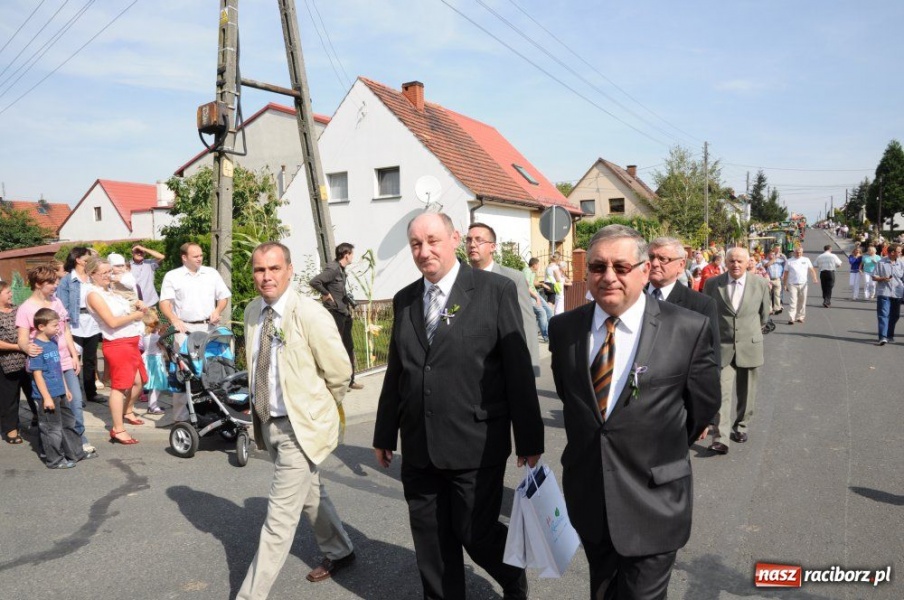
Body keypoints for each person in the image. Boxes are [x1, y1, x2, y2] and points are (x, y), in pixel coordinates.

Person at [373, 212, 543, 600]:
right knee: (431, 541)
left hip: (476, 441)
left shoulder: (494, 290)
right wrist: (385, 431)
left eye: (433, 240)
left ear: (454, 239)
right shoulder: (405, 300)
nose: (424, 251)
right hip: (419, 445)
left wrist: (529, 438)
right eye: (416, 244)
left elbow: (517, 370)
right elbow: (397, 372)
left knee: (474, 532)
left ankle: (512, 572)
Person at [548, 225, 719, 599]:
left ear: (645, 269)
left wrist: (652, 440)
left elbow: (702, 409)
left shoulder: (688, 327)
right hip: (591, 496)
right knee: (604, 591)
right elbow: (572, 400)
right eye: (597, 267)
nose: (608, 276)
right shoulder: (564, 329)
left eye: (621, 267)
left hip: (655, 500)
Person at [238, 242, 355, 599]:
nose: (266, 276)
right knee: (310, 494)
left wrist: (319, 410)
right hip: (269, 423)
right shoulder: (252, 312)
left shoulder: (310, 314)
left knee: (278, 520)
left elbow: (339, 372)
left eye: (274, 268)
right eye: (259, 270)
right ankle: (340, 549)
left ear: (289, 270)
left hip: (301, 429)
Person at [17, 264, 94, 454]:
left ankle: (79, 440)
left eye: (55, 281)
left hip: (64, 360)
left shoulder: (56, 301)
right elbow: (22, 340)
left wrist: (74, 354)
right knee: (51, 407)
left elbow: (65, 329)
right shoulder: (26, 309)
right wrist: (28, 347)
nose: (55, 285)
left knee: (75, 402)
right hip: (46, 366)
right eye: (51, 282)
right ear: (38, 284)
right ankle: (51, 446)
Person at [703, 247, 770, 455]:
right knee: (721, 393)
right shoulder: (713, 284)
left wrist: (749, 333)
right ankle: (721, 437)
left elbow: (764, 315)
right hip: (722, 347)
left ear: (749, 262)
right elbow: (707, 313)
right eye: (732, 261)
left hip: (749, 345)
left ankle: (741, 426)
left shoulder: (759, 284)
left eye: (740, 261)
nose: (736, 265)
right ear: (726, 262)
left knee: (747, 391)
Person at [159, 242, 231, 421]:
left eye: (201, 255)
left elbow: (224, 296)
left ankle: (214, 412)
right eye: (195, 256)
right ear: (184, 257)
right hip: (184, 329)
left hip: (208, 328)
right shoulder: (173, 276)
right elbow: (164, 303)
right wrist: (174, 320)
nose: (200, 258)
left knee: (212, 370)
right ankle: (181, 419)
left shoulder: (211, 273)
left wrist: (217, 311)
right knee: (184, 373)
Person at [85, 256, 149, 445]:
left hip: (130, 341)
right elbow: (111, 322)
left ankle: (127, 411)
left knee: (139, 381)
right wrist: (136, 315)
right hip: (117, 343)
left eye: (109, 272)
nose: (108, 276)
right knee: (120, 387)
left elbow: (125, 308)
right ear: (92, 274)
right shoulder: (94, 294)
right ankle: (118, 428)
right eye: (103, 273)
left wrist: (136, 306)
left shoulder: (110, 290)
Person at [466, 222, 540, 375]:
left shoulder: (513, 278)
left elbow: (527, 322)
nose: (472, 244)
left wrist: (530, 367)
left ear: (493, 247)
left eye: (479, 240)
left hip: (503, 365)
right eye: (468, 240)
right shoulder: (459, 280)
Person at [29, 308, 94, 468]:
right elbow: (37, 375)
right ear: (41, 327)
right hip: (47, 395)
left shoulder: (53, 342)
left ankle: (75, 452)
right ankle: (55, 460)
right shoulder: (37, 347)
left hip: (60, 391)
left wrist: (66, 388)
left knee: (68, 423)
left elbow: (58, 368)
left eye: (58, 325)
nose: (58, 328)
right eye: (54, 325)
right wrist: (47, 398)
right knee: (52, 428)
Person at [646, 237, 721, 366]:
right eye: (651, 257)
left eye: (663, 259)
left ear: (681, 265)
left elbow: (711, 360)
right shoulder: (631, 298)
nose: (654, 263)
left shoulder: (701, 305)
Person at [309, 243, 363, 390]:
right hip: (334, 313)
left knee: (348, 347)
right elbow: (315, 281)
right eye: (352, 254)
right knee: (335, 349)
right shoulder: (332, 269)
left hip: (344, 312)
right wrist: (326, 294)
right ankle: (337, 383)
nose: (352, 256)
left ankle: (350, 381)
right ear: (346, 254)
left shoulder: (341, 269)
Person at [56, 247, 106, 406]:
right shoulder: (67, 280)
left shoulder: (92, 277)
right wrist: (65, 326)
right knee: (74, 359)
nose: (89, 261)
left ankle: (91, 392)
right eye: (86, 258)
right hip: (74, 323)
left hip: (92, 322)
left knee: (91, 359)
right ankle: (76, 393)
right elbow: (62, 305)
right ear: (78, 259)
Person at [0, 281, 30, 443]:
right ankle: (11, 429)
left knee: (33, 392)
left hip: (27, 359)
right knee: (9, 397)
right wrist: (18, 346)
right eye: (7, 292)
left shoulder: (17, 309)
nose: (11, 294)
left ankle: (40, 420)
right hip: (6, 362)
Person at [872, 244, 903, 346]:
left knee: (895, 316)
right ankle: (882, 337)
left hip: (897, 293)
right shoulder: (881, 262)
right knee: (883, 315)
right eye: (899, 251)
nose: (901, 253)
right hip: (884, 292)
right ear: (892, 252)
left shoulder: (901, 264)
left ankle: (889, 335)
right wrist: (882, 278)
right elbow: (874, 276)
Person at [141, 309, 168, 415]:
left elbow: (158, 334)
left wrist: (162, 331)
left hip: (147, 359)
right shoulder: (156, 338)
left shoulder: (145, 334)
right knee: (157, 385)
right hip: (155, 361)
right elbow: (162, 345)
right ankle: (153, 406)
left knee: (152, 384)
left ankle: (151, 404)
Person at [782, 247, 818, 325]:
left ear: (802, 252)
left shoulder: (806, 260)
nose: (799, 254)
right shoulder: (789, 261)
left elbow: (811, 270)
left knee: (802, 301)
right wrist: (784, 284)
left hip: (803, 284)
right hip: (792, 284)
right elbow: (786, 273)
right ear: (794, 252)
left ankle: (800, 317)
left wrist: (814, 278)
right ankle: (792, 318)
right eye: (797, 252)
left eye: (800, 252)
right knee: (793, 301)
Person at [523, 257, 553, 343]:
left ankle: (551, 332)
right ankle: (546, 336)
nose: (539, 266)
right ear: (534, 265)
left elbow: (533, 283)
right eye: (538, 264)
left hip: (535, 294)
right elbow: (527, 288)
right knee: (542, 312)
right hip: (529, 296)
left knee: (549, 311)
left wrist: (542, 284)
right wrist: (537, 298)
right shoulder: (527, 272)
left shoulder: (532, 272)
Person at [761, 245, 786, 314]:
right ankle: (769, 309)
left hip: (777, 279)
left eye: (773, 254)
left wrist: (781, 254)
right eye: (771, 254)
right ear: (768, 255)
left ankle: (777, 307)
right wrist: (775, 258)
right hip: (769, 279)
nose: (772, 255)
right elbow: (767, 264)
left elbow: (786, 262)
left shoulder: (779, 260)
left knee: (777, 294)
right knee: (768, 294)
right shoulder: (764, 261)